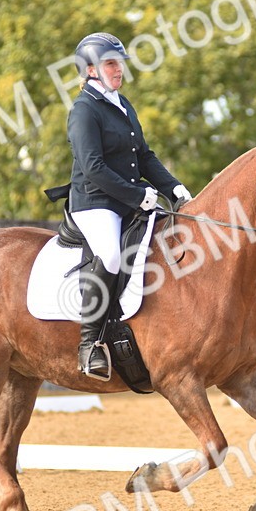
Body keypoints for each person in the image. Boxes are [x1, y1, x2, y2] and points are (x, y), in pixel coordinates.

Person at [66, 32, 192, 380]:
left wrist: (174, 188)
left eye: (119, 63)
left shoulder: (122, 103)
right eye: (110, 64)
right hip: (96, 202)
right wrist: (136, 195)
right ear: (91, 70)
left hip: (129, 198)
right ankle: (90, 344)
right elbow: (93, 167)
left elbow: (145, 156)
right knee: (109, 255)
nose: (118, 69)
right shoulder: (84, 111)